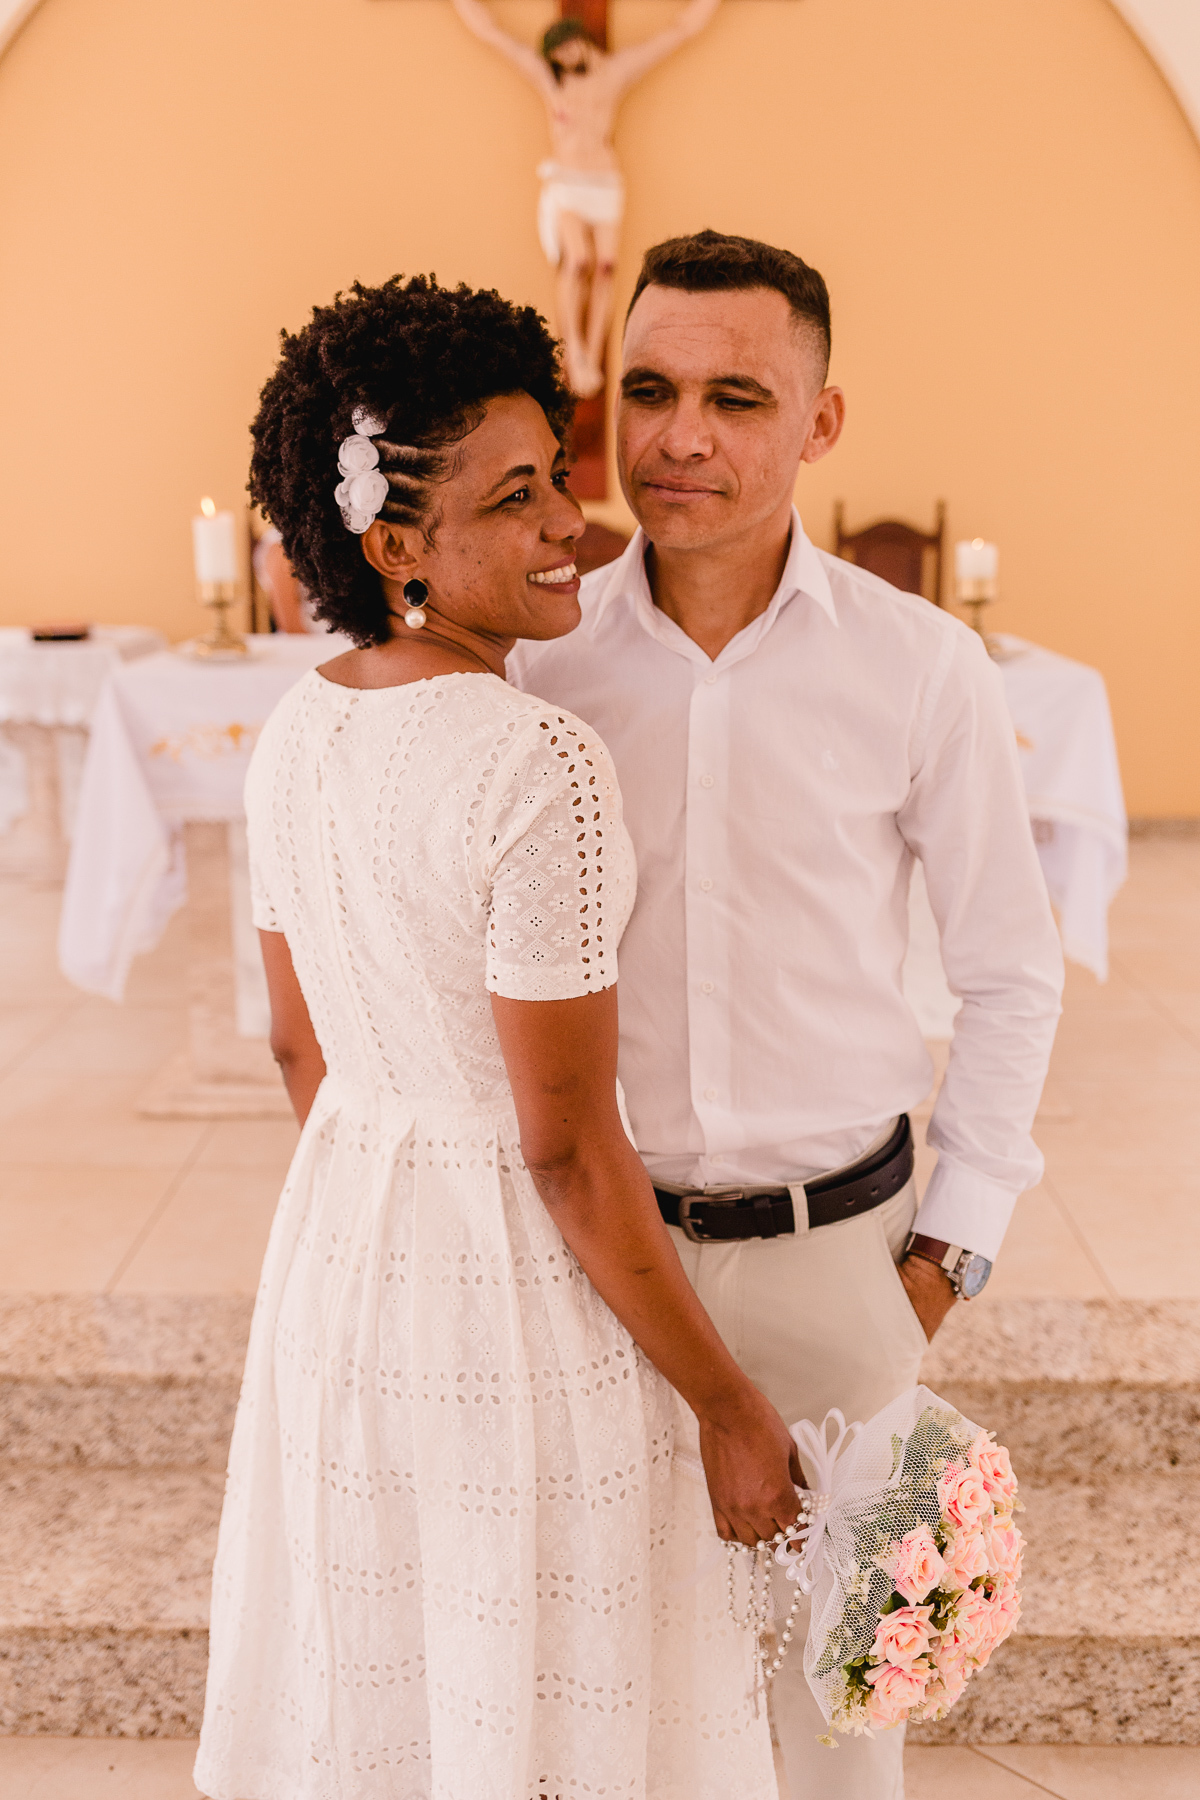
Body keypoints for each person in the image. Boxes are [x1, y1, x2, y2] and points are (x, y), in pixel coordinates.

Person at [193, 273, 795, 1800]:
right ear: (399, 547)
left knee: (397, 1686)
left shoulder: (297, 733)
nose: (575, 526)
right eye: (519, 499)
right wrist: (729, 1405)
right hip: (520, 1303)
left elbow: (296, 1050)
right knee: (546, 1697)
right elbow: (566, 1143)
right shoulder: (541, 760)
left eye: (559, 480)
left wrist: (385, 1222)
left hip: (341, 1271)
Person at [507, 230, 1065, 1799]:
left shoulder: (920, 669)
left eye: (736, 395)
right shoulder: (539, 666)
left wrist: (946, 1255)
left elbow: (1010, 973)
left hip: (842, 1260)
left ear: (820, 423)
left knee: (835, 1727)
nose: (681, 435)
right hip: (598, 1268)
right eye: (650, 389)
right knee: (610, 1704)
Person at [450, 0, 722, 396]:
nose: (563, 58)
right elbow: (495, 36)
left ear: (580, 41)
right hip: (567, 181)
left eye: (566, 48)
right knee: (577, 262)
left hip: (605, 182)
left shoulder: (615, 74)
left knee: (606, 267)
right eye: (556, 55)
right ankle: (572, 349)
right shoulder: (551, 80)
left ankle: (592, 355)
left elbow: (679, 32)